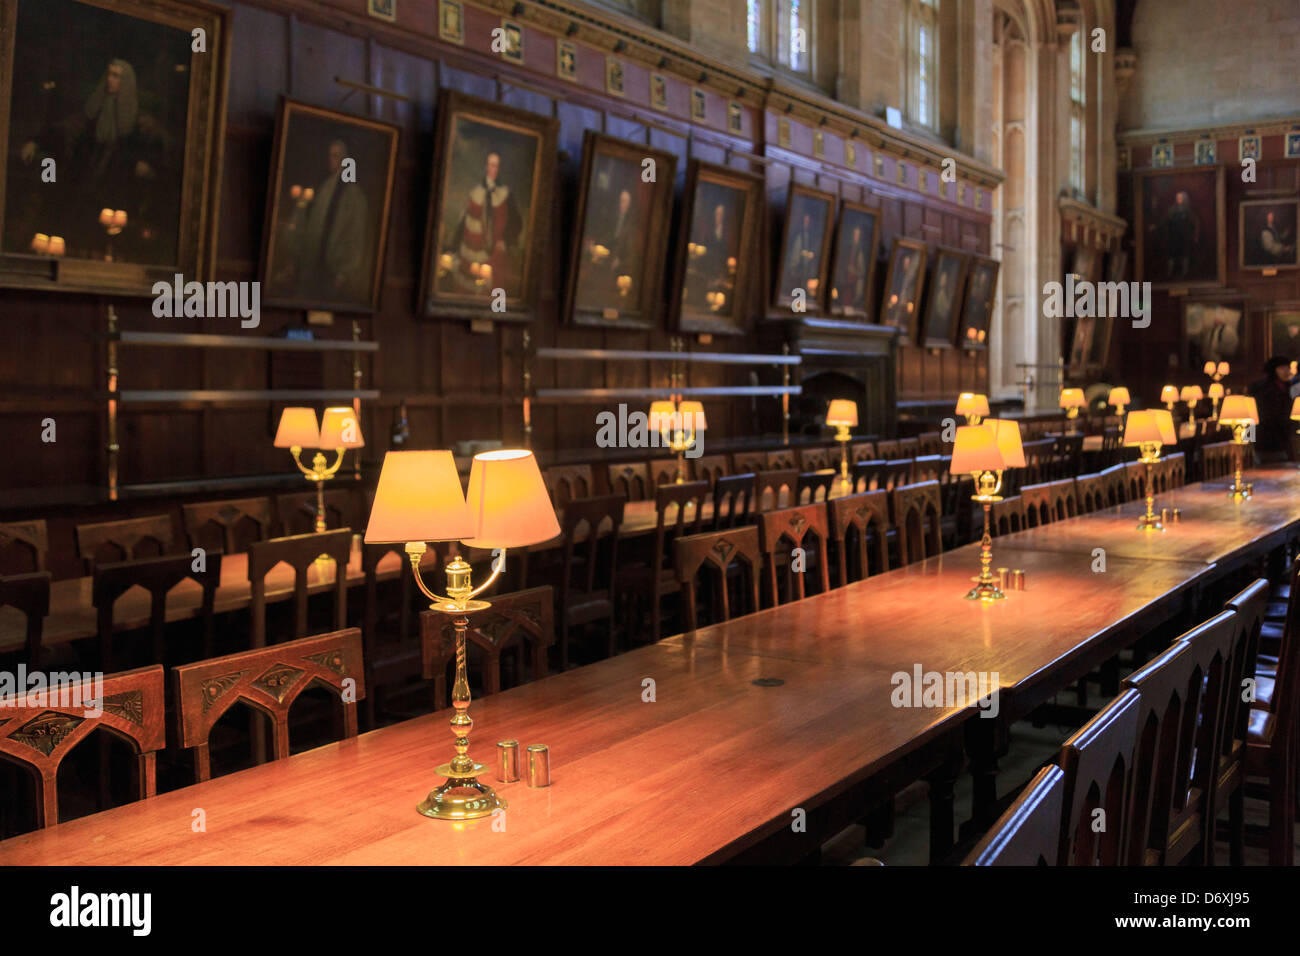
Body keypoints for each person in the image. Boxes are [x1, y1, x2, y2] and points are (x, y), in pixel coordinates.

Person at [448, 150, 522, 296]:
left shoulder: (506, 194)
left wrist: (506, 241)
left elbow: (517, 222)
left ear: (499, 168)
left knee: (495, 297)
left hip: (495, 253)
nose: (492, 168)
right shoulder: (475, 192)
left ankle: (494, 314)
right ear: (486, 167)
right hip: (469, 253)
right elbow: (464, 221)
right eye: (490, 164)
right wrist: (454, 247)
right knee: (466, 294)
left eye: (496, 165)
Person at [1248, 355, 1294, 462]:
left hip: (1281, 439)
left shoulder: (1287, 387)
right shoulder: (1262, 388)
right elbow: (1252, 415)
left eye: (1288, 368)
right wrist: (1250, 439)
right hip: (1265, 438)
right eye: (1282, 368)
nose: (1286, 371)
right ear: (1273, 370)